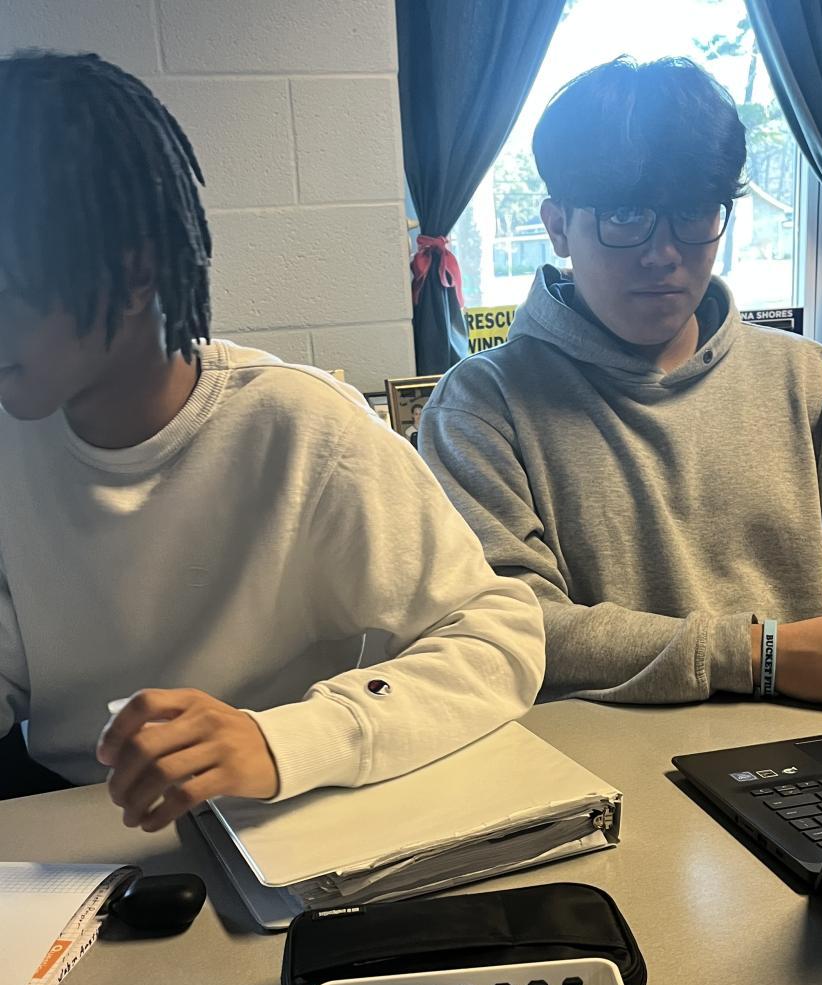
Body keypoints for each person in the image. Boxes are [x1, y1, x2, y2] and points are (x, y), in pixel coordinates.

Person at [0, 51, 545, 829]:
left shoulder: (303, 430)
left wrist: (285, 739)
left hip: (283, 826)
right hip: (70, 837)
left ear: (135, 272)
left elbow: (500, 638)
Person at [419, 56, 822, 709]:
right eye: (625, 215)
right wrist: (759, 655)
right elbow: (511, 628)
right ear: (558, 225)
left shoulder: (808, 381)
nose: (663, 253)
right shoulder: (480, 406)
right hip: (602, 762)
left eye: (694, 212)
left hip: (820, 750)